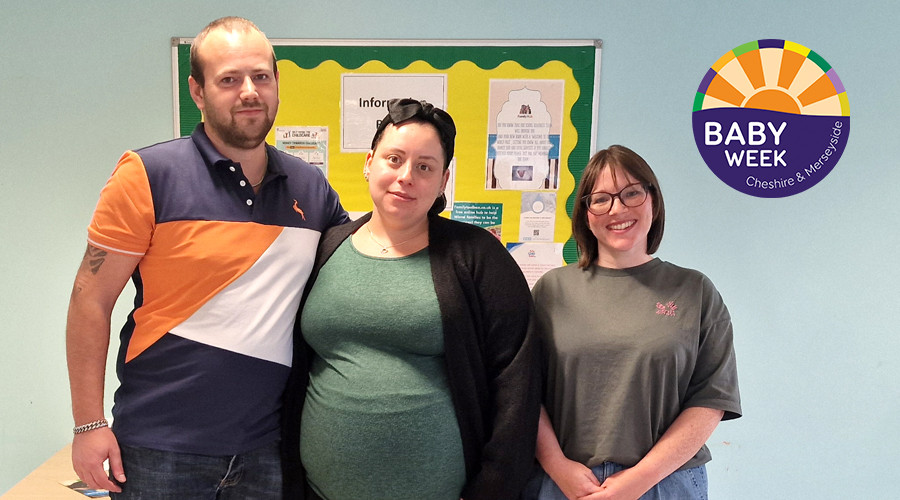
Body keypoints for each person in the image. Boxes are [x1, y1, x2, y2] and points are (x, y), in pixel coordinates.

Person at [65, 17, 348, 498]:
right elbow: (89, 301)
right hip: (158, 451)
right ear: (197, 91)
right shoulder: (147, 175)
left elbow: (368, 252)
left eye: (261, 76)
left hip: (268, 451)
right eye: (229, 80)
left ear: (277, 82)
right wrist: (87, 425)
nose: (249, 92)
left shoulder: (311, 188)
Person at [281, 98, 541, 500]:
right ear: (369, 163)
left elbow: (517, 385)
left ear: (443, 180)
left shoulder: (479, 258)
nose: (406, 176)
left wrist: (494, 488)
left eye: (424, 167)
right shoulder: (325, 248)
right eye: (394, 159)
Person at [524, 145, 741, 500]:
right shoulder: (551, 290)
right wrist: (558, 467)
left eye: (632, 193)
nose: (618, 209)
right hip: (565, 483)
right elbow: (525, 393)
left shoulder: (694, 290)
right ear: (585, 213)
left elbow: (711, 399)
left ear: (653, 199)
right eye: (601, 199)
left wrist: (641, 478)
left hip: (666, 481)